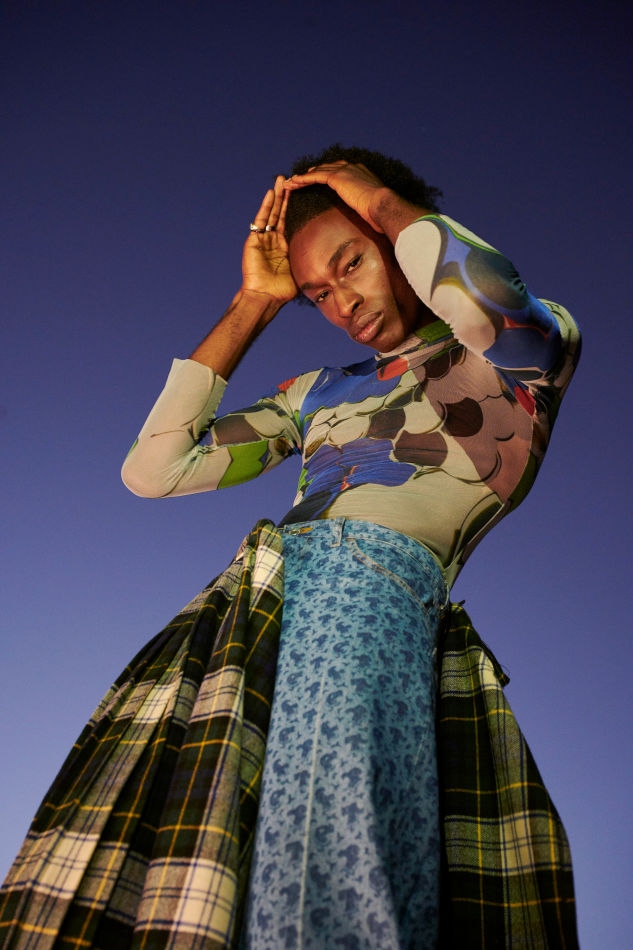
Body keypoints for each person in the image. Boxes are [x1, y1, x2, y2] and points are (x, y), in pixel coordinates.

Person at [0, 146, 580, 950]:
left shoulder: (519, 349)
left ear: (395, 234)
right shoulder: (316, 393)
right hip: (253, 611)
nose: (343, 303)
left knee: (326, 846)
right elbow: (154, 469)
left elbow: (481, 304)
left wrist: (378, 198)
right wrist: (254, 303)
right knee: (201, 871)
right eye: (319, 293)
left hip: (371, 587)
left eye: (352, 263)